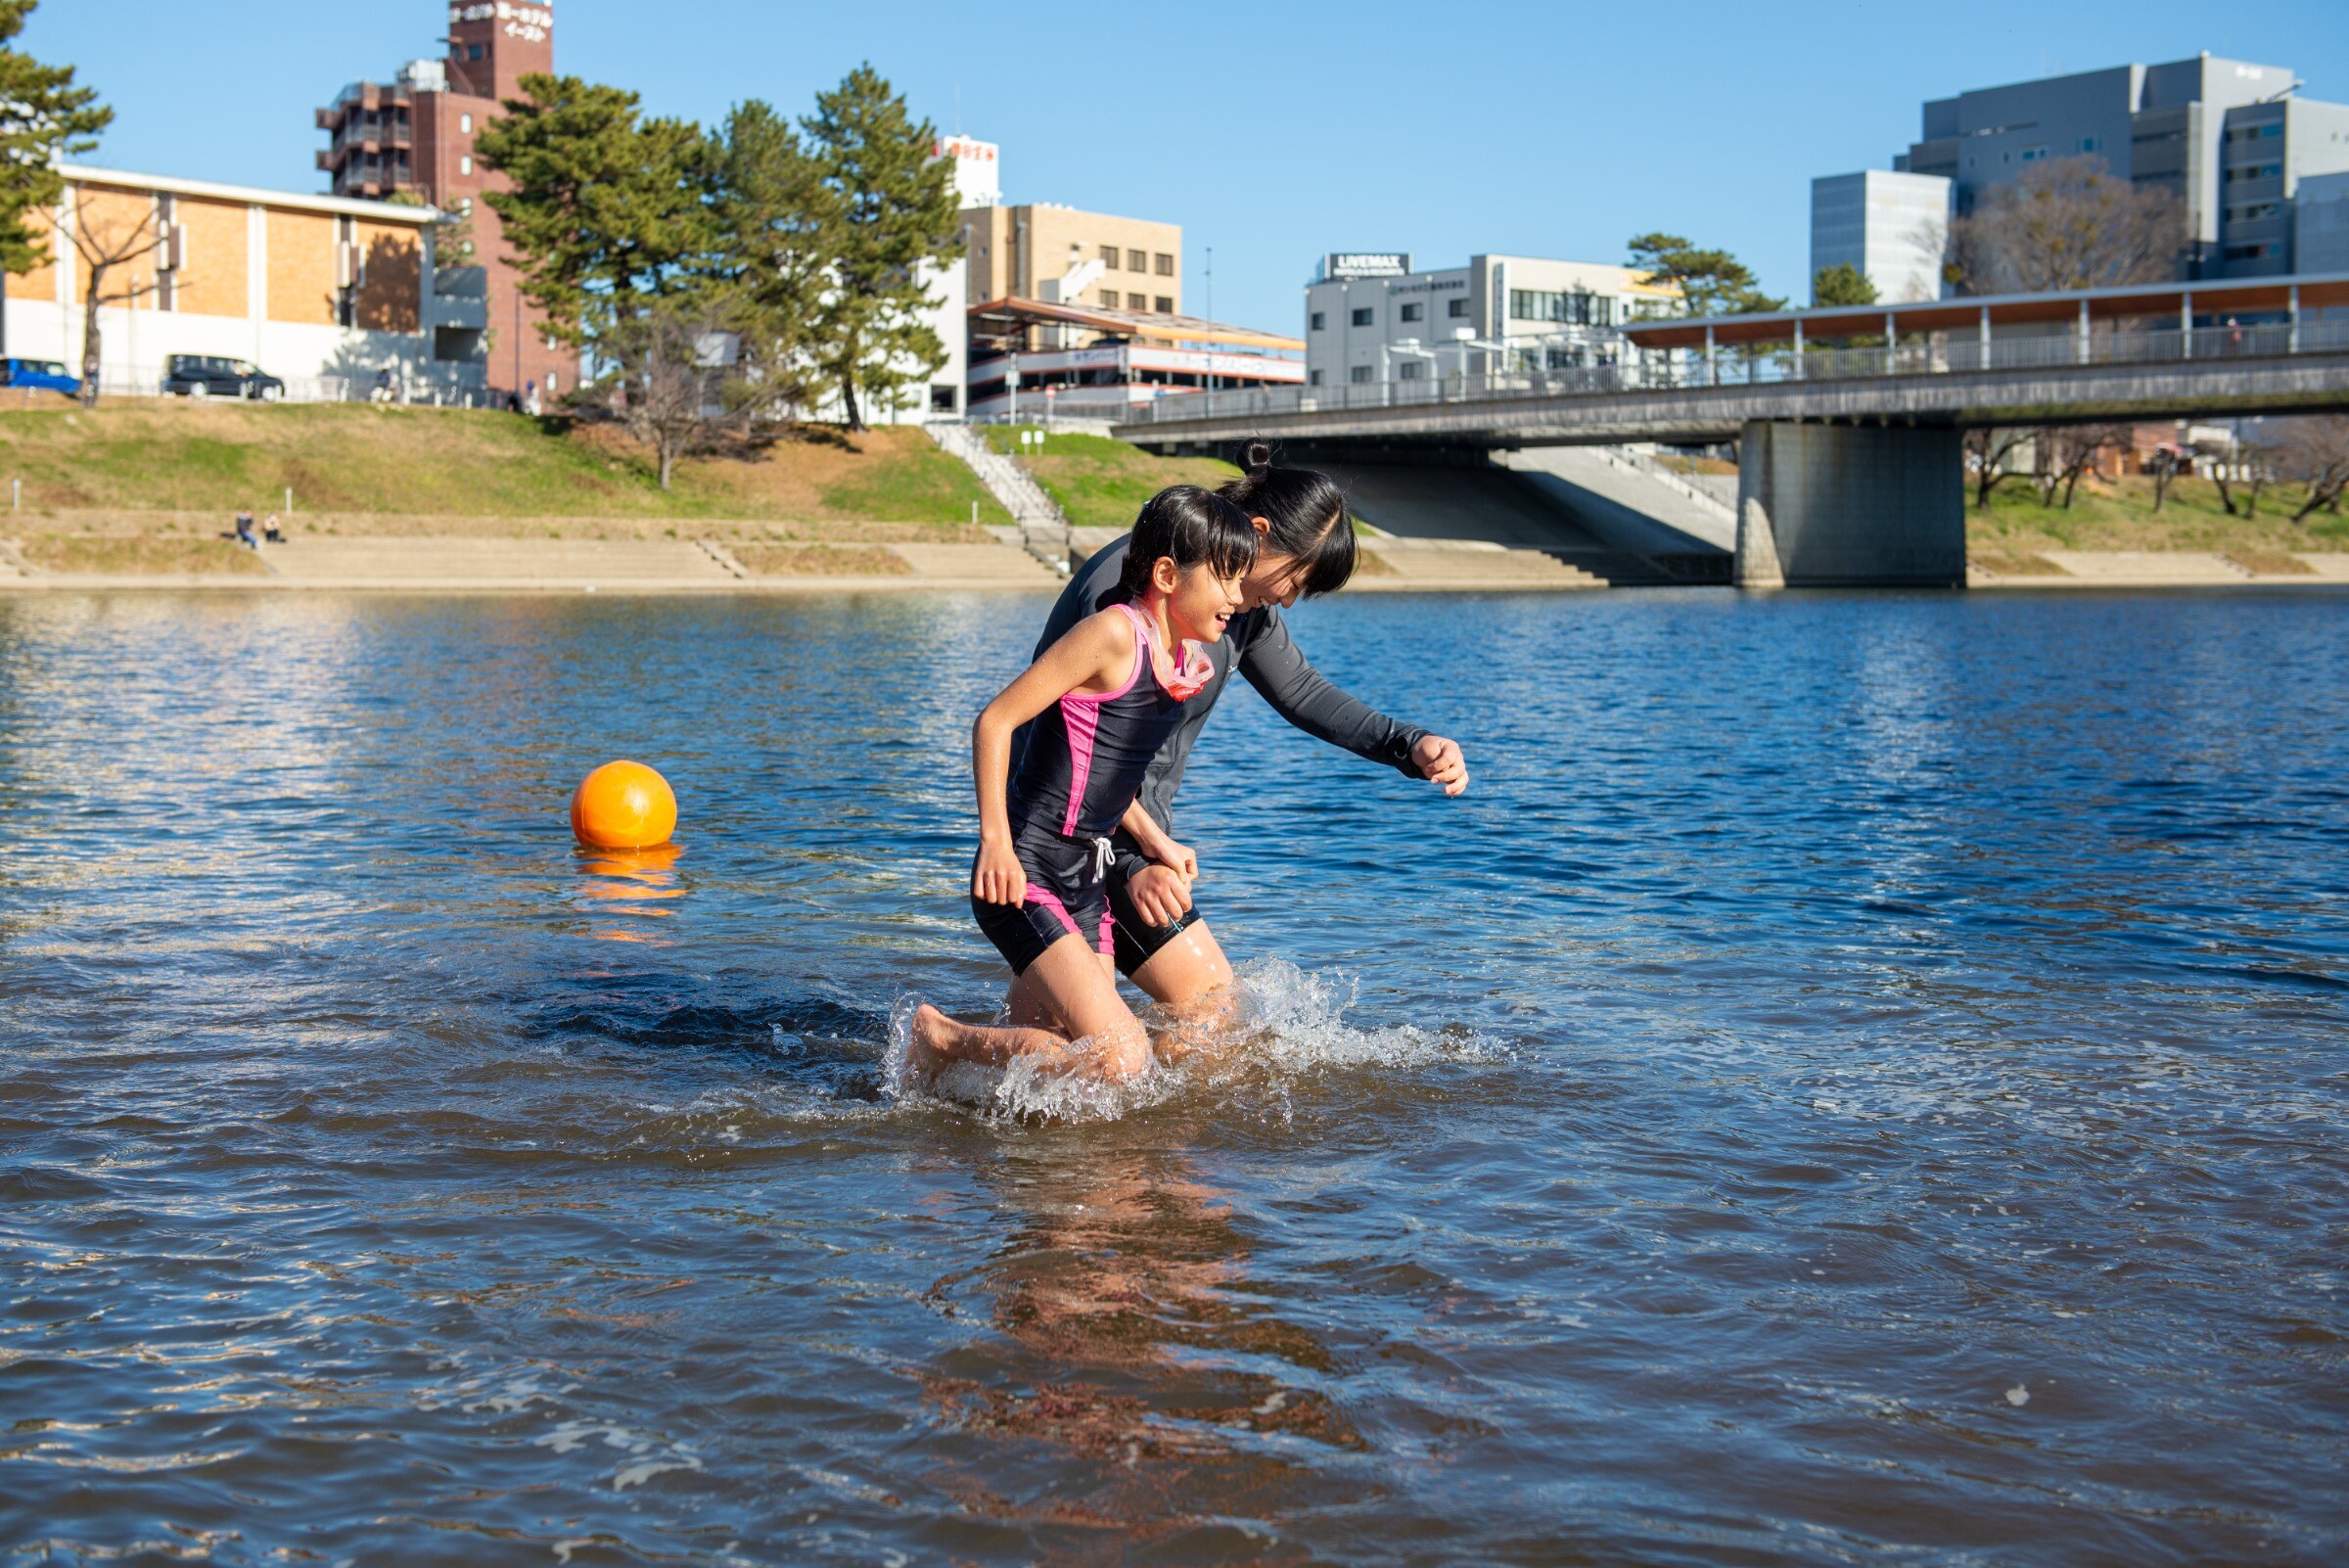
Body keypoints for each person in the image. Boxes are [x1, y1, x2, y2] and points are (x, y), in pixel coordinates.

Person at [1004, 439, 1468, 1035]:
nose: (1290, 598)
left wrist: (1409, 744)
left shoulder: (1238, 609)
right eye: (1295, 577)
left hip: (1137, 836)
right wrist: (1126, 862)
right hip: (1077, 836)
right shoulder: (1132, 587)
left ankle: (936, 1082)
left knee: (1053, 1052)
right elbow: (1048, 733)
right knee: (1211, 1015)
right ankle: (944, 1053)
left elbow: (1301, 692)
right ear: (1258, 531)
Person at [908, 485, 1258, 1083]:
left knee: (1067, 1058)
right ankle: (941, 1037)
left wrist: (1156, 842)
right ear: (1168, 575)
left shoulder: (1183, 663)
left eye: (1241, 580)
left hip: (1086, 880)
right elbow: (994, 722)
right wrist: (995, 842)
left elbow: (1104, 773)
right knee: (1121, 1057)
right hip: (1026, 871)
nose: (1237, 596)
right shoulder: (1114, 635)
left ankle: (989, 1135)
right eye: (1225, 579)